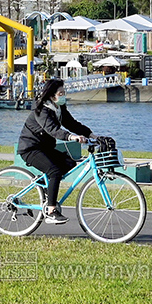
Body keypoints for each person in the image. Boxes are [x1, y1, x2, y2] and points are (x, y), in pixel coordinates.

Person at [17, 78, 97, 224]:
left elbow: (72, 124)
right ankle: (51, 211)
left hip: (45, 148)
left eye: (64, 92)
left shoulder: (59, 108)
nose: (63, 95)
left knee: (69, 164)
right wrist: (72, 137)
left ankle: (44, 184)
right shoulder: (41, 110)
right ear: (52, 95)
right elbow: (53, 130)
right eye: (61, 93)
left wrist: (92, 135)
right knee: (54, 171)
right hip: (30, 148)